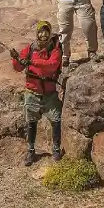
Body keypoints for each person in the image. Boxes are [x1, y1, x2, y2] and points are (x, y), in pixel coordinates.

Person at [9, 20, 64, 166]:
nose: (43, 34)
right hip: (32, 92)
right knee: (31, 122)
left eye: (46, 31)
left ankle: (56, 149)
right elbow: (18, 68)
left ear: (50, 33)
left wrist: (32, 63)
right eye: (41, 31)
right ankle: (31, 150)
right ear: (37, 33)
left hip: (50, 93)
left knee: (56, 120)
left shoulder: (56, 49)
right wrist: (15, 59)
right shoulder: (30, 49)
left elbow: (52, 66)